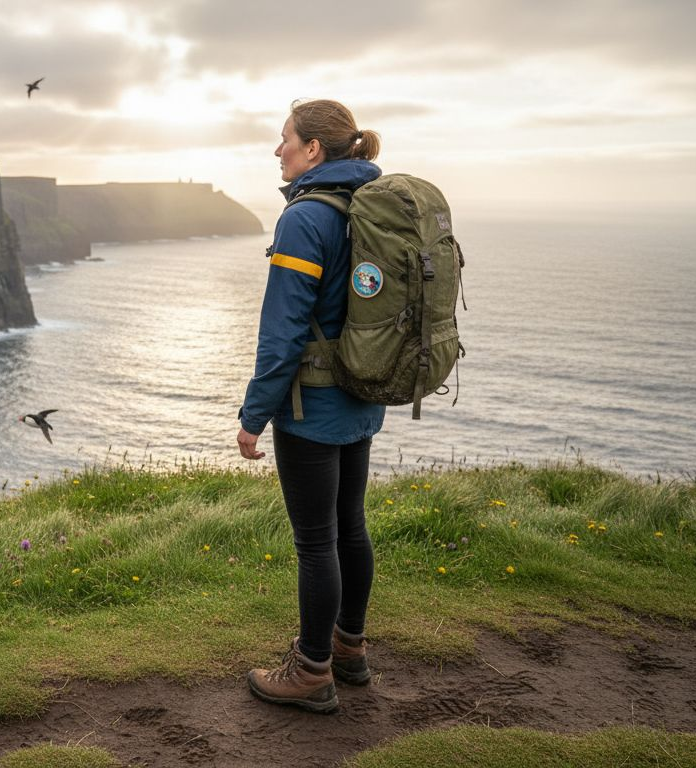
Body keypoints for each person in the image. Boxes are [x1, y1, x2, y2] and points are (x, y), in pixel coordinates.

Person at [236, 99, 386, 713]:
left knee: (316, 541)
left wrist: (252, 417)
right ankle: (349, 649)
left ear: (314, 150)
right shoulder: (367, 206)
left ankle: (311, 671)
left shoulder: (305, 218)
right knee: (350, 524)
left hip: (311, 408)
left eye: (285, 140)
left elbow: (283, 334)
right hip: (361, 396)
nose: (279, 151)